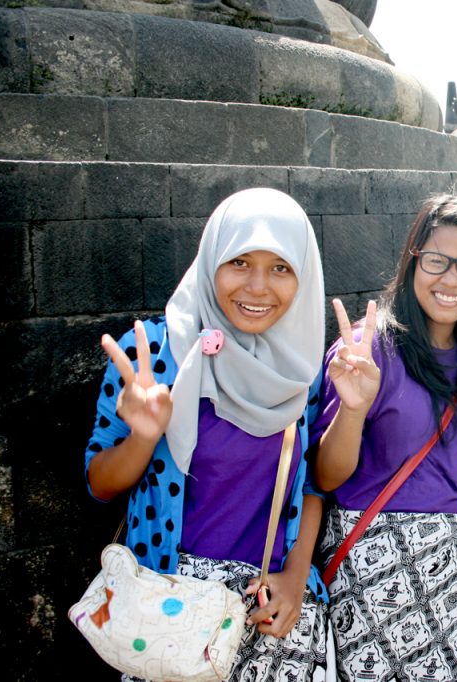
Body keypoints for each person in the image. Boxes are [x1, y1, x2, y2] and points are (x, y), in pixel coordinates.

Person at [84, 187, 330, 679]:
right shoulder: (152, 354)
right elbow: (100, 484)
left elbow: (311, 485)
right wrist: (143, 436)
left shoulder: (304, 367)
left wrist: (296, 577)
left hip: (270, 612)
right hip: (167, 611)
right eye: (239, 262)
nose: (258, 287)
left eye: (280, 267)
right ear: (211, 259)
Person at [313, 194, 457, 681]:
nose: (451, 280)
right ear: (411, 262)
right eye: (436, 261)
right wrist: (352, 407)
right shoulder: (368, 349)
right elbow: (325, 476)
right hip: (373, 578)